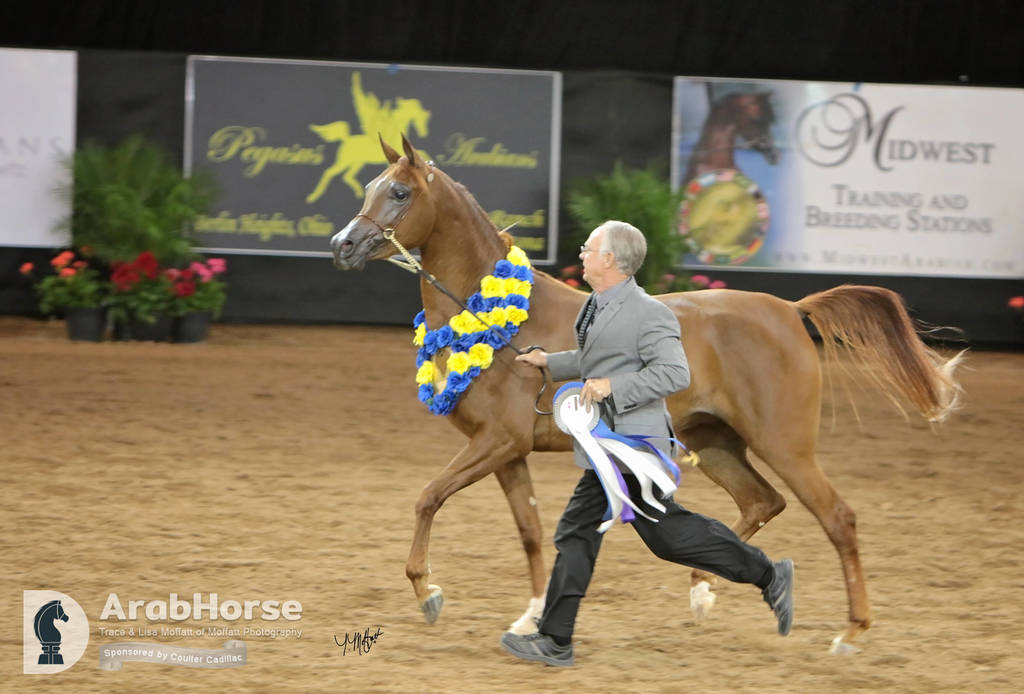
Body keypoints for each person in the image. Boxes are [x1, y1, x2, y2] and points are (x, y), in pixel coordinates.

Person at [504, 220, 794, 667]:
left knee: (597, 533)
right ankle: (767, 573)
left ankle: (555, 639)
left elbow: (675, 374)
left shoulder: (649, 313)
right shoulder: (597, 306)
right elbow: (597, 357)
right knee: (659, 535)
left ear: (612, 260)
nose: (581, 253)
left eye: (589, 248)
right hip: (611, 448)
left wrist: (610, 387)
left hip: (633, 445)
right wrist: (551, 362)